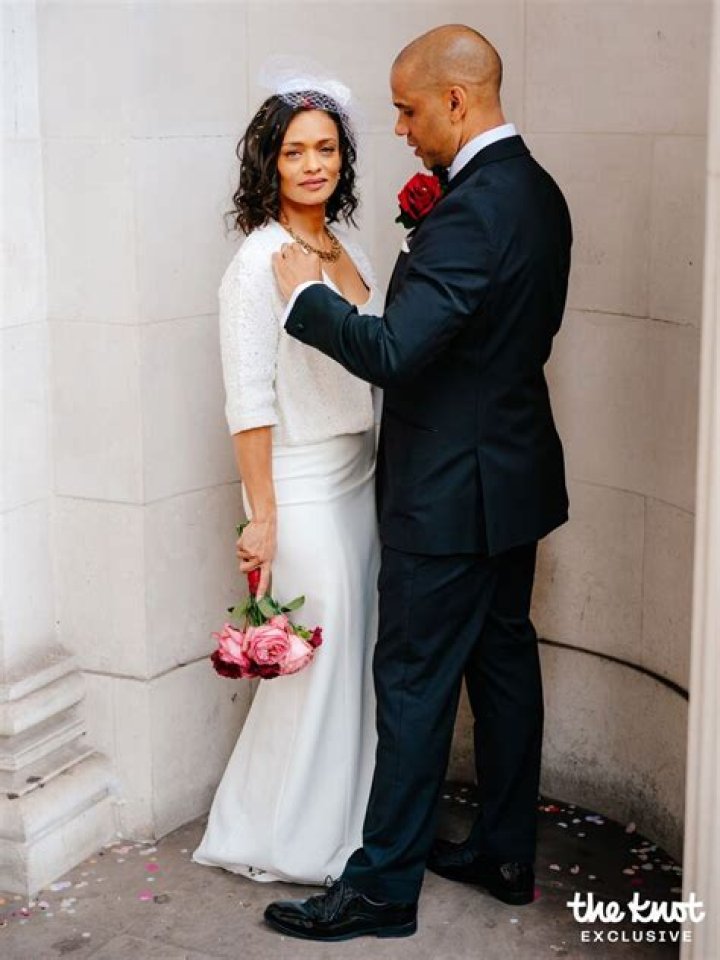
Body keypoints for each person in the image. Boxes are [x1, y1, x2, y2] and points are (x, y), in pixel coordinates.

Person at [264, 24, 572, 942]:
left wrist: (306, 300)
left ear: (455, 101)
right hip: (512, 481)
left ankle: (381, 890)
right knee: (503, 666)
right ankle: (505, 853)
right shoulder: (538, 191)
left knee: (411, 683)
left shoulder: (473, 210)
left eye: (406, 109)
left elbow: (397, 351)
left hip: (446, 497)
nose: (398, 127)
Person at [192, 74, 382, 885]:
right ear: (268, 163)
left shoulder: (352, 247)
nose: (314, 165)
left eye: (326, 149)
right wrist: (263, 517)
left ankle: (350, 818)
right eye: (295, 151)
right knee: (317, 668)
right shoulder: (254, 263)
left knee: (357, 659)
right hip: (301, 488)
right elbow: (248, 401)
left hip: (360, 478)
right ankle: (284, 837)